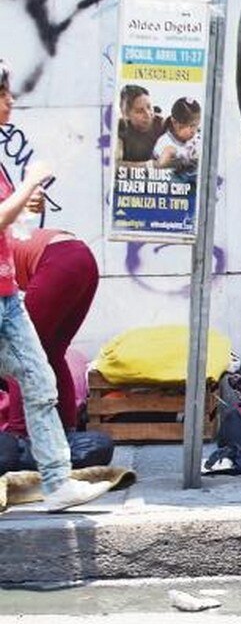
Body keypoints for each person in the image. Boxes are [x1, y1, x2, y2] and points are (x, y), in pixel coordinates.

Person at [0, 59, 112, 511]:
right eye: (4, 94)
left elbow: (14, 221)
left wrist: (28, 198)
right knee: (34, 376)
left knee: (40, 379)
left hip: (7, 297)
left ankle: (57, 482)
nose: (11, 101)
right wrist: (28, 184)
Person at [11, 227, 99, 429]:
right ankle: (68, 431)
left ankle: (19, 437)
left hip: (58, 260)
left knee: (19, 352)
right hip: (81, 257)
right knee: (52, 352)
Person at [115, 84, 163, 167]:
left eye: (149, 107)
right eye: (140, 111)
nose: (148, 114)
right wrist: (149, 165)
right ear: (126, 114)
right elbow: (115, 165)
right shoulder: (120, 127)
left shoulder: (162, 124)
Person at [153, 97, 201, 180]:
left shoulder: (196, 138)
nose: (194, 131)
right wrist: (180, 162)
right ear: (175, 123)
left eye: (197, 125)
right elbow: (160, 165)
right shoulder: (165, 143)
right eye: (191, 126)